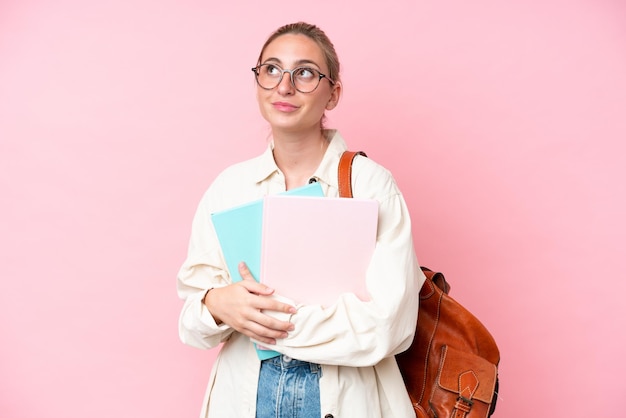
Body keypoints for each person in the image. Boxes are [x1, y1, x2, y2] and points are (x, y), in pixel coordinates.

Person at [177, 21, 425, 418]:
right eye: (271, 69)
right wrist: (217, 303)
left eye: (305, 72)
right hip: (245, 396)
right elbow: (191, 323)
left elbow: (390, 325)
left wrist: (267, 323)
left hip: (344, 398)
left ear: (333, 94)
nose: (284, 86)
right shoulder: (229, 187)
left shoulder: (369, 183)